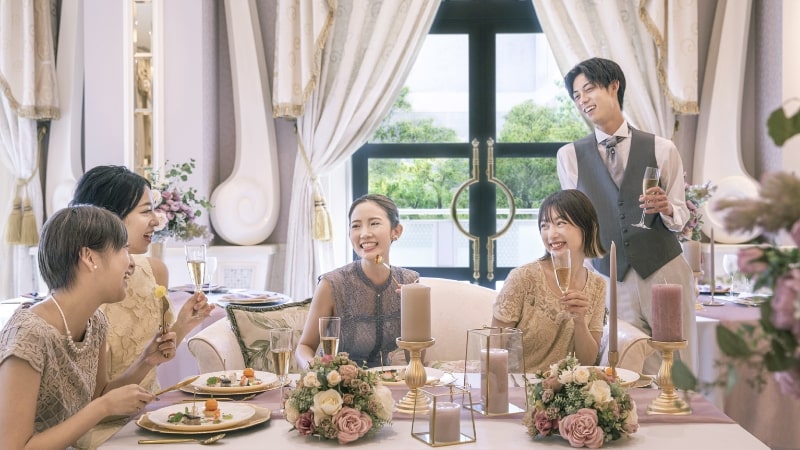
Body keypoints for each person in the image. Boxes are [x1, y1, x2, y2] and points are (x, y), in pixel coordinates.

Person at [556, 57, 697, 374]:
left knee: (677, 364)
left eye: (589, 89)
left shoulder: (662, 149)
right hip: (610, 278)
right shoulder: (569, 156)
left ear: (613, 86)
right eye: (576, 96)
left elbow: (680, 216)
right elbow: (577, 227)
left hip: (664, 272)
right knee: (626, 367)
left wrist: (666, 207)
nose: (583, 100)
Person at [0, 205, 177, 450]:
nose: (131, 264)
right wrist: (103, 407)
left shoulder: (95, 323)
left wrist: (146, 361)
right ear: (89, 258)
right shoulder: (29, 335)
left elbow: (99, 394)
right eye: (123, 249)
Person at [71, 165, 214, 391]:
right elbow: (94, 396)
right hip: (106, 412)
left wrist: (182, 325)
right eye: (146, 211)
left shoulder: (155, 271)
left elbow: (157, 354)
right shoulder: (80, 287)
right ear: (111, 217)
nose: (156, 221)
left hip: (152, 403)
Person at [296, 194, 419, 368]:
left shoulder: (410, 282)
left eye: (374, 223)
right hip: (338, 381)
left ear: (396, 231)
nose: (364, 234)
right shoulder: (332, 284)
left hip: (386, 380)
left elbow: (416, 359)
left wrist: (413, 311)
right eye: (356, 226)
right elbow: (304, 347)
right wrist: (316, 372)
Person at [492, 190, 606, 372]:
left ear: (587, 227)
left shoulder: (597, 285)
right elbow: (493, 347)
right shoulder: (523, 278)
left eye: (560, 223)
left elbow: (587, 361)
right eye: (544, 225)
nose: (551, 234)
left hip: (565, 387)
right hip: (519, 384)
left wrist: (580, 322)